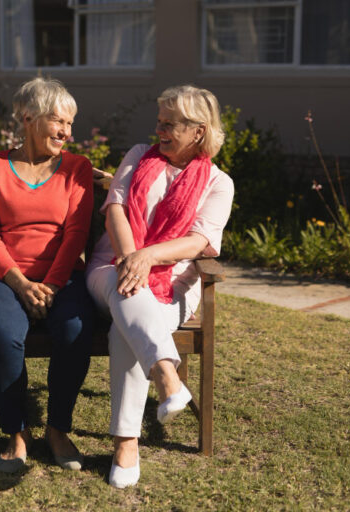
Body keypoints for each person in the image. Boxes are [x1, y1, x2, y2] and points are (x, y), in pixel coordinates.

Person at [86, 85, 234, 488]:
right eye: (159, 122)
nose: (159, 130)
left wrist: (148, 258)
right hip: (109, 265)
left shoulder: (219, 183)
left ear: (199, 131)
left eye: (170, 124)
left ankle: (126, 442)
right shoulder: (138, 155)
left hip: (173, 283)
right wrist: (132, 256)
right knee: (129, 293)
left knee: (127, 323)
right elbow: (115, 205)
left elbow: (199, 242)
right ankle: (168, 378)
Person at [0, 77, 95, 473]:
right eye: (59, 121)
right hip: (6, 277)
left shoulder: (78, 168)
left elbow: (76, 233)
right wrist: (20, 283)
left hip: (62, 276)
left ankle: (58, 429)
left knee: (76, 329)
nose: (67, 132)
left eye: (71, 124)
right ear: (28, 118)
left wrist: (52, 285)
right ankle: (16, 432)